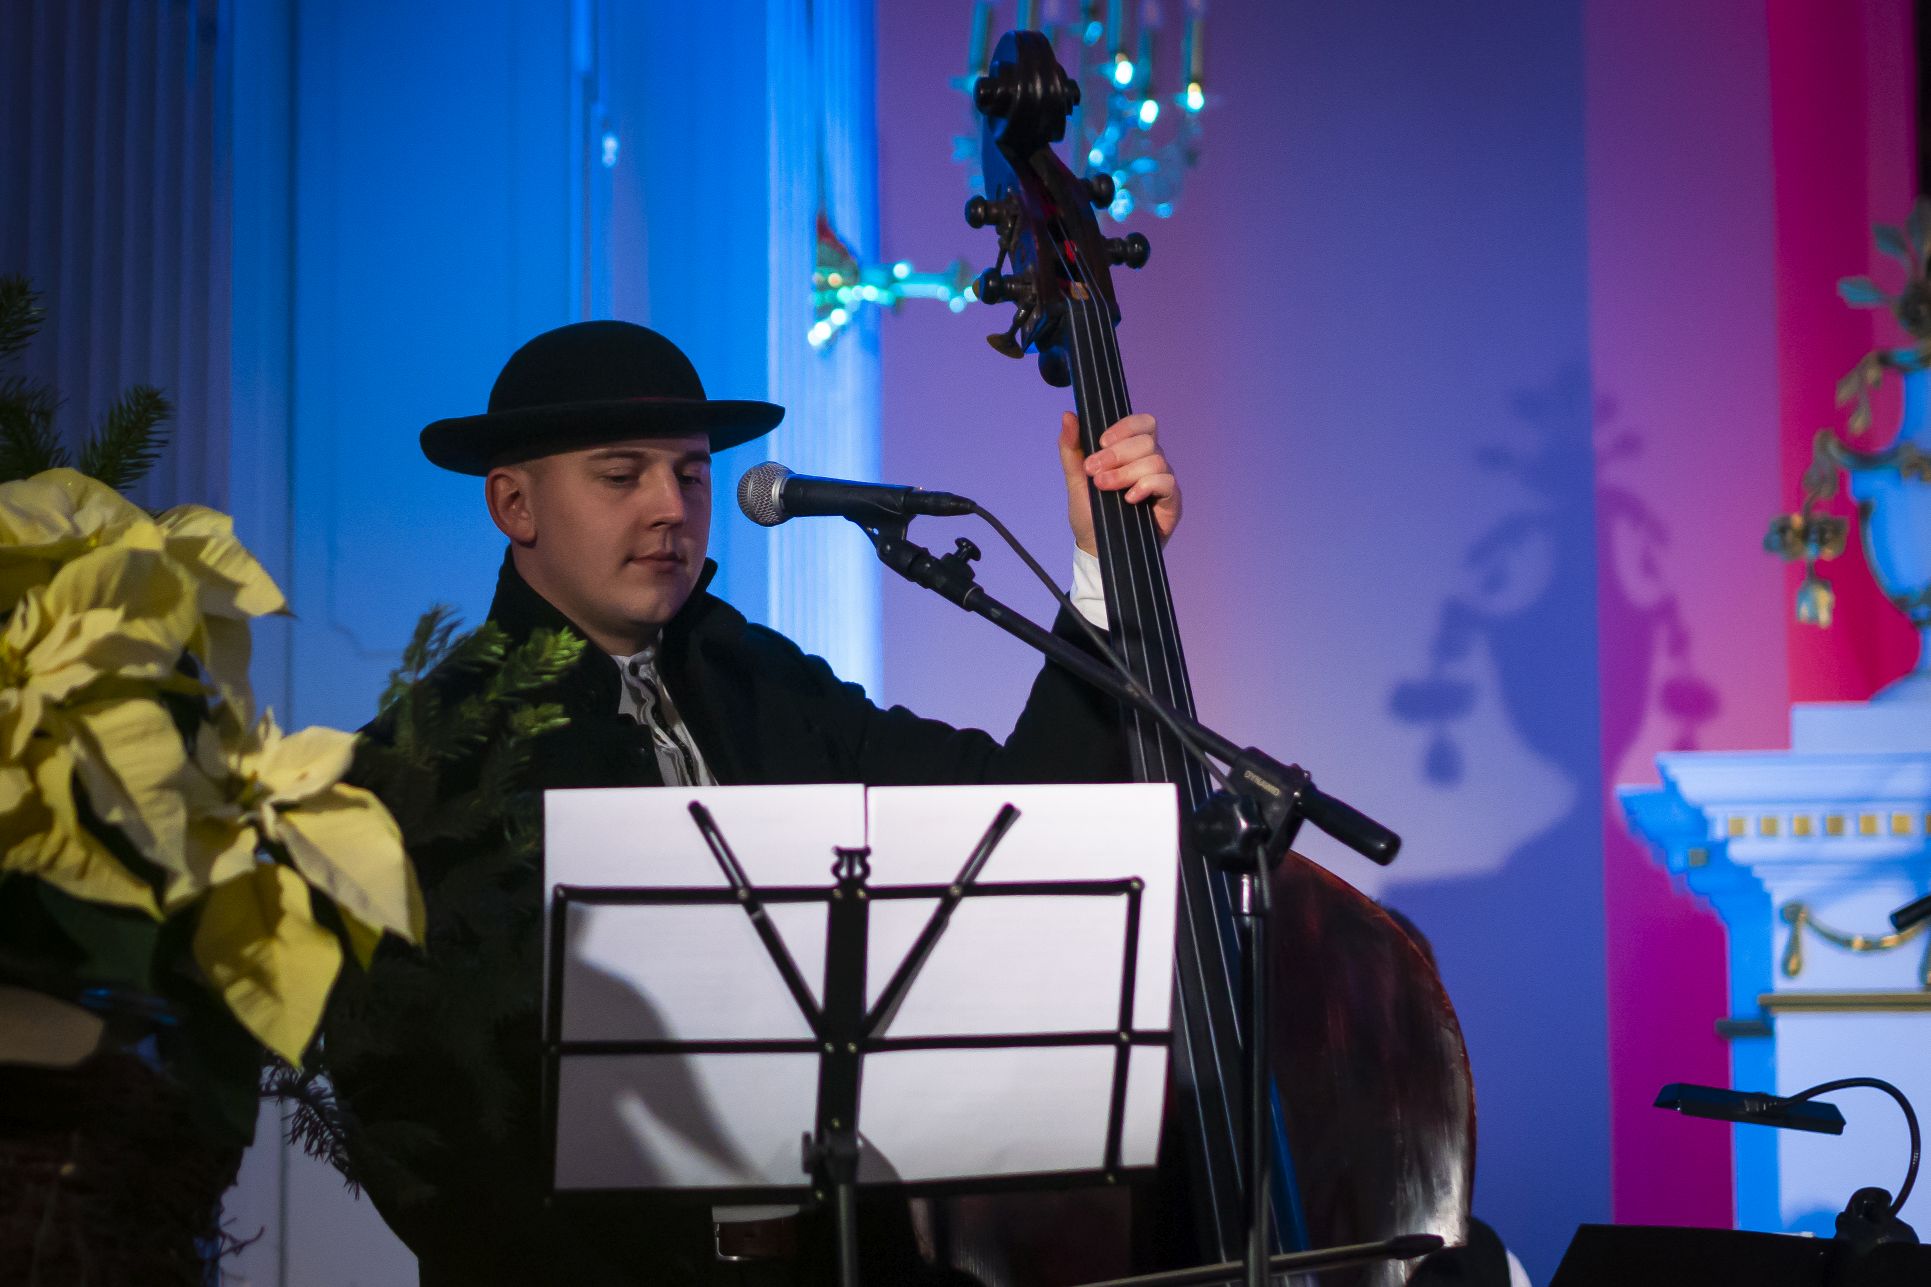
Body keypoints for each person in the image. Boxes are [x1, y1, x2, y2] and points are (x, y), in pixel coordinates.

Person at [329, 320, 1182, 1286]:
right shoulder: (418, 765)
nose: (670, 508)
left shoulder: (761, 678)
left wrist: (1107, 571)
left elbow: (1015, 818)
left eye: (691, 475)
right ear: (514, 503)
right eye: (621, 475)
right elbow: (420, 1135)